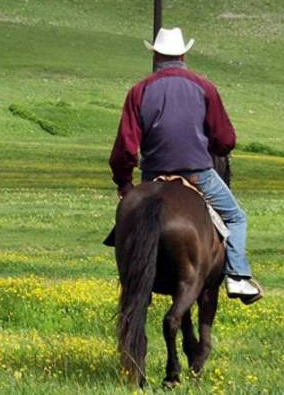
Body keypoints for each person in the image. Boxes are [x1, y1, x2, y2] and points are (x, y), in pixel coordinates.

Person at [109, 27, 262, 304]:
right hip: (197, 173)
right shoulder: (204, 87)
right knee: (237, 217)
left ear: (155, 54)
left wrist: (124, 183)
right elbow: (225, 139)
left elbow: (126, 147)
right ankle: (238, 276)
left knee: (126, 221)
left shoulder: (139, 91)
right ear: (184, 53)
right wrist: (210, 148)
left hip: (153, 176)